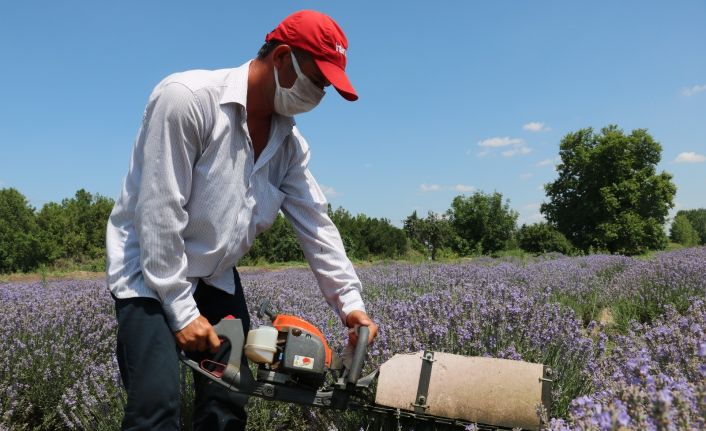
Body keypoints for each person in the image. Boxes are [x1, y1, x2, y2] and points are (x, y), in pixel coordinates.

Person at [105, 9, 379, 431]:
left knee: (227, 405)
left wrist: (351, 305)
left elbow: (316, 225)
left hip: (215, 278)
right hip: (150, 277)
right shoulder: (187, 99)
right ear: (282, 57)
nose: (319, 94)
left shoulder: (289, 145)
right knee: (156, 408)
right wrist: (181, 312)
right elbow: (159, 215)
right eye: (317, 80)